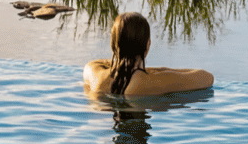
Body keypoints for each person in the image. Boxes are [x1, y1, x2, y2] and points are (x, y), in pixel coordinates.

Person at [83, 12, 213, 96]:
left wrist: (125, 64)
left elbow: (94, 63)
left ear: (113, 46)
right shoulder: (144, 82)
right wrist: (161, 71)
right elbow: (207, 78)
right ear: (148, 44)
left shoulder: (97, 76)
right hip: (136, 133)